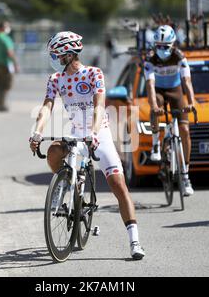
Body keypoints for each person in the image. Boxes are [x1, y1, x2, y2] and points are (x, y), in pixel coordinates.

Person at [29, 31, 145, 260]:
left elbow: (100, 105)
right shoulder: (56, 79)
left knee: (118, 185)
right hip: (75, 133)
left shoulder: (93, 74)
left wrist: (92, 132)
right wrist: (37, 131)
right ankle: (63, 185)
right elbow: (47, 107)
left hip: (98, 133)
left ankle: (135, 240)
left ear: (69, 54)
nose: (55, 59)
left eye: (57, 55)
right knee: (53, 150)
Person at [144, 25, 196, 196]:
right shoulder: (150, 59)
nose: (162, 50)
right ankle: (155, 146)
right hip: (158, 90)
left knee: (185, 131)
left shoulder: (179, 56)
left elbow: (187, 82)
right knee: (155, 107)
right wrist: (154, 107)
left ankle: (186, 175)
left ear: (173, 45)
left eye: (165, 46)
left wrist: (191, 102)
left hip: (175, 91)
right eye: (158, 46)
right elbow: (150, 86)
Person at [0, 21, 19, 112]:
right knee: (7, 85)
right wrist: (16, 63)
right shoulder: (5, 38)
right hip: (6, 65)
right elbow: (10, 52)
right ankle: (1, 104)